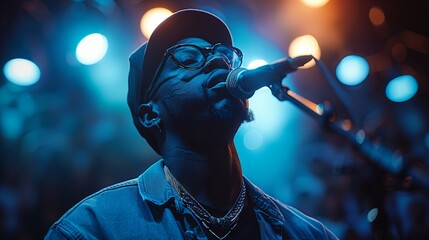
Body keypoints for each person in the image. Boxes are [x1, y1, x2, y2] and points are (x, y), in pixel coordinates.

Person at [45, 9, 338, 240]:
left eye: (224, 55)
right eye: (188, 58)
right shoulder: (93, 230)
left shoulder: (308, 234)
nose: (217, 63)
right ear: (151, 114)